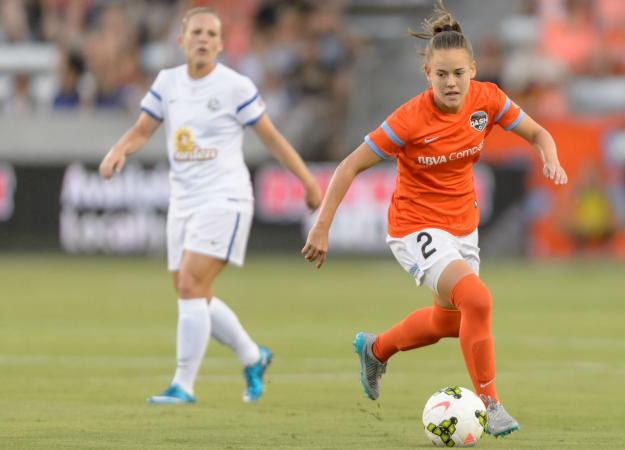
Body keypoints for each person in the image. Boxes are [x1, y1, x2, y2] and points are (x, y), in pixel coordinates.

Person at [301, 0, 567, 437]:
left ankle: (375, 349)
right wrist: (322, 223)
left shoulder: (489, 100)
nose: (451, 82)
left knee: (453, 320)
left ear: (473, 71)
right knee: (478, 300)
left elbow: (538, 132)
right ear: (427, 74)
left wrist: (549, 157)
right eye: (441, 74)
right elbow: (349, 165)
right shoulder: (409, 119)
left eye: (459, 73)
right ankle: (490, 402)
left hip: (463, 224)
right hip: (415, 226)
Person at [99, 7, 322, 405]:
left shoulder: (235, 86)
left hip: (226, 198)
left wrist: (306, 181)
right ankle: (254, 356)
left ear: (221, 45)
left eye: (211, 34)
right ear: (182, 41)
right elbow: (142, 130)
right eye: (196, 32)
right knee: (193, 293)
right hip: (182, 201)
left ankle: (182, 386)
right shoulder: (167, 83)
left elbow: (271, 138)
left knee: (189, 284)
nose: (203, 39)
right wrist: (119, 150)